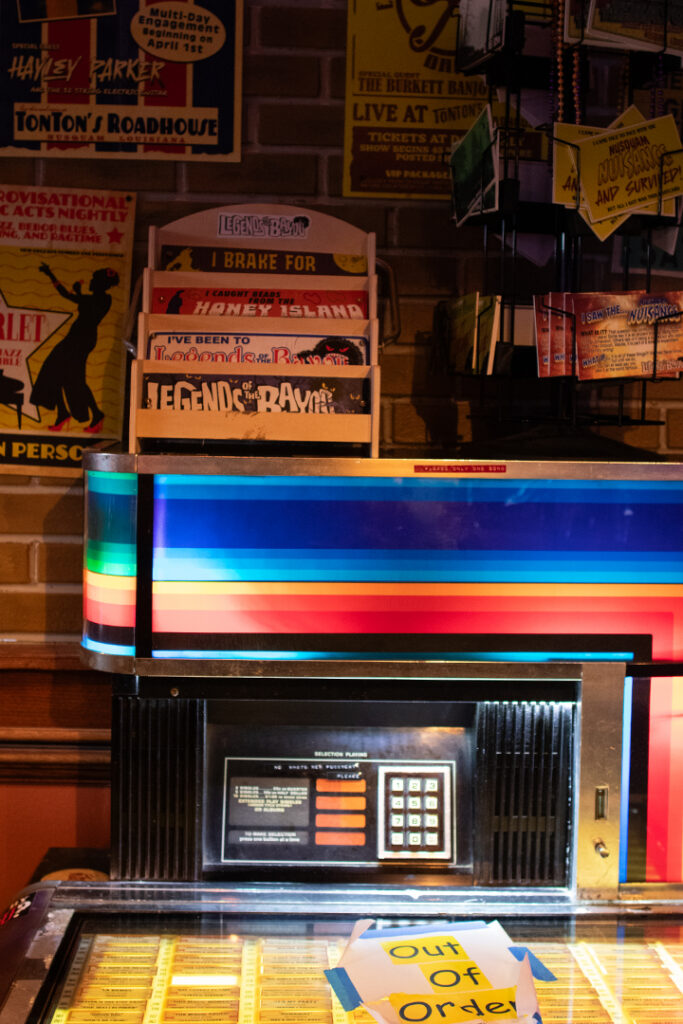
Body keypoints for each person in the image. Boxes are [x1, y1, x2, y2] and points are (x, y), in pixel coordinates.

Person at [31, 262, 119, 432]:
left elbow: (68, 296)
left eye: (94, 279)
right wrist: (77, 292)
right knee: (58, 374)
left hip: (80, 341)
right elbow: (82, 302)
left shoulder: (102, 299)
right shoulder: (97, 299)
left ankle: (92, 414)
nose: (91, 282)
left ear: (101, 283)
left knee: (69, 377)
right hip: (77, 339)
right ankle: (67, 413)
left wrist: (51, 274)